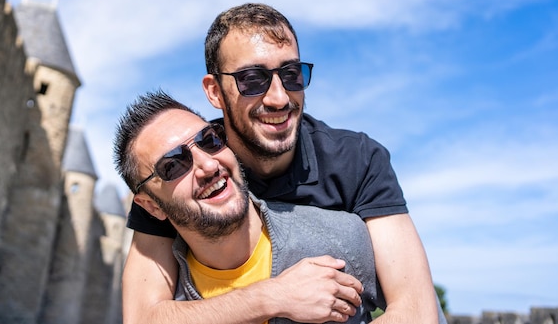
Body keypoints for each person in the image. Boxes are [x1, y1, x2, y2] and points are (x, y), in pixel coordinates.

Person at [122, 3, 444, 323]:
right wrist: (273, 296)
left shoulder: (357, 159)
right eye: (252, 79)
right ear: (215, 92)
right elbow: (141, 317)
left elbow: (416, 310)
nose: (279, 98)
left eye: (291, 75)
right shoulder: (184, 168)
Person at [114, 90, 387, 323]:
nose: (209, 165)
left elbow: (419, 308)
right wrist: (273, 296)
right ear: (151, 206)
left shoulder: (338, 240)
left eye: (209, 141)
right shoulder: (167, 300)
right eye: (173, 165)